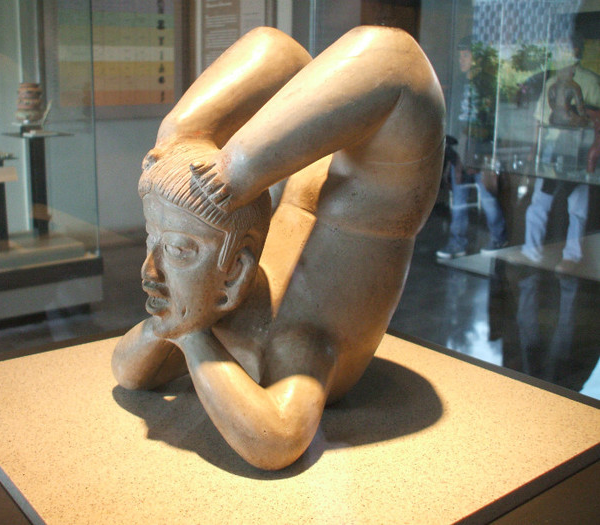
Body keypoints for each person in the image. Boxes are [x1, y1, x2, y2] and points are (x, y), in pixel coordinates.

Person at [112, 26, 445, 470]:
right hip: (368, 210)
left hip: (284, 190)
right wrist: (188, 334)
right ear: (232, 279)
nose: (148, 273)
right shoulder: (294, 348)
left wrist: (185, 146)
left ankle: (198, 149)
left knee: (278, 52)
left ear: (232, 276)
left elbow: (130, 372)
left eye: (174, 250)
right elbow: (278, 438)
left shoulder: (221, 320)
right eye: (157, 244)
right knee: (392, 62)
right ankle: (234, 167)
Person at [522, 34, 600, 273]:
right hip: (552, 148)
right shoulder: (551, 83)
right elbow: (539, 120)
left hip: (579, 149)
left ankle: (572, 256)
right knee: (540, 200)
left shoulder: (589, 81)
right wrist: (533, 152)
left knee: (577, 206)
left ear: (575, 51)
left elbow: (594, 116)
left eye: (562, 48)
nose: (557, 53)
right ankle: (531, 250)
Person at [436, 37, 507, 259]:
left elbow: (492, 122)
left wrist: (486, 153)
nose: (461, 60)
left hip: (480, 150)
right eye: (460, 55)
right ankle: (458, 242)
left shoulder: (487, 83)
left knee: (487, 198)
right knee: (458, 200)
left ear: (476, 57)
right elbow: (453, 118)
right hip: (460, 151)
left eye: (466, 55)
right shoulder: (458, 83)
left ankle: (499, 237)